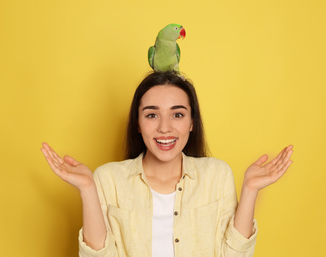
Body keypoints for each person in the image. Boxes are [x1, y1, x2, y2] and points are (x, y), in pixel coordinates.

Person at [41, 72, 293, 257]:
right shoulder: (108, 179)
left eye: (178, 114)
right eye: (152, 114)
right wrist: (87, 188)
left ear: (192, 123)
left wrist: (250, 190)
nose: (164, 127)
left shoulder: (217, 175)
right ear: (138, 124)